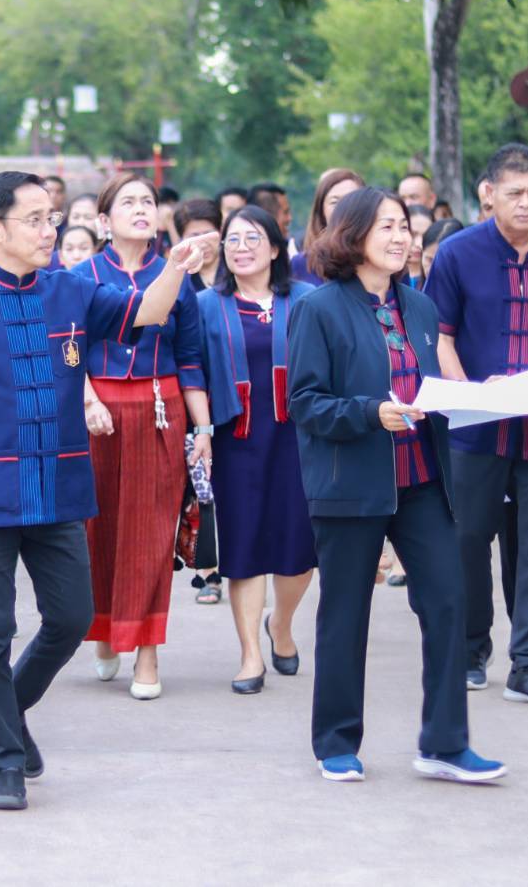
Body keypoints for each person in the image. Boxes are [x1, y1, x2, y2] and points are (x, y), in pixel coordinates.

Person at [0, 170, 216, 810]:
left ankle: (5, 711)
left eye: (51, 217)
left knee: (67, 619)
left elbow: (146, 313)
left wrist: (175, 267)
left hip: (60, 487)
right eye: (35, 219)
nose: (50, 230)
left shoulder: (71, 291)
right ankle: (6, 762)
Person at [288, 185, 505, 785]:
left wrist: (467, 401)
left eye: (405, 226)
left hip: (422, 480)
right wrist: (367, 412)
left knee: (447, 600)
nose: (400, 236)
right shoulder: (319, 308)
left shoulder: (421, 307)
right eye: (386, 226)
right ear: (352, 235)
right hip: (351, 483)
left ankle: (444, 744)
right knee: (345, 613)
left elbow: (430, 386)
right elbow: (304, 403)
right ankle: (336, 741)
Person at [425, 143, 528, 707]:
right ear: (489, 194)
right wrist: (472, 393)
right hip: (477, 425)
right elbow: (441, 336)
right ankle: (473, 648)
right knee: (469, 538)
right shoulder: (458, 254)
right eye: (516, 193)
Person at [79, 174, 212, 699]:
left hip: (161, 409)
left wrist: (202, 428)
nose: (140, 209)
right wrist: (86, 399)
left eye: (148, 201)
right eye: (127, 202)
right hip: (95, 411)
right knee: (98, 527)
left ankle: (148, 654)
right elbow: (66, 349)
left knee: (154, 535)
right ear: (102, 220)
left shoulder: (177, 275)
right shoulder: (80, 276)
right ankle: (107, 627)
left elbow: (192, 358)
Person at [197, 205, 316, 692]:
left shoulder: (308, 300)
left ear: (275, 247)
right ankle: (250, 655)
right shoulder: (206, 304)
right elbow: (191, 370)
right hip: (236, 440)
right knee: (243, 548)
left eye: (252, 239)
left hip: (297, 440)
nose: (241, 248)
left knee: (298, 552)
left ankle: (280, 625)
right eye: (232, 240)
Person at [173, 197, 227, 603]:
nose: (202, 242)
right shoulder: (176, 282)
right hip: (189, 398)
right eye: (193, 235)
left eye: (210, 233)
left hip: (228, 396)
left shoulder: (234, 277)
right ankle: (206, 570)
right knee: (199, 486)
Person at [292, 168, 363, 284]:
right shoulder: (301, 264)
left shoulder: (380, 259)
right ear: (321, 210)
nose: (343, 208)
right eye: (335, 202)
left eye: (352, 200)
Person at [402, 204, 432, 289]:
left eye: (426, 235)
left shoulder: (437, 277)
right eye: (412, 234)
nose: (419, 244)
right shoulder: (385, 277)